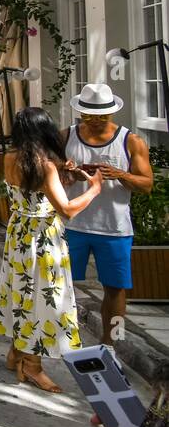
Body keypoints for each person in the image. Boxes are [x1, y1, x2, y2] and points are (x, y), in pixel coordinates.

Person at [0, 107, 103, 393]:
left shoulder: (11, 158)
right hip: (42, 237)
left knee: (22, 292)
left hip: (18, 233)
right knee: (46, 299)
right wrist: (94, 189)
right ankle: (33, 365)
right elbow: (66, 209)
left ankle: (17, 351)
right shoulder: (45, 166)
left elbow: (32, 187)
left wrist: (65, 171)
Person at [63, 84, 154, 345]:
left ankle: (111, 343)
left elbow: (147, 185)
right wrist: (66, 171)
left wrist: (121, 175)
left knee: (115, 289)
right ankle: (62, 338)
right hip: (74, 224)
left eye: (100, 116)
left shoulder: (131, 141)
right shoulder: (66, 136)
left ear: (110, 113)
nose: (93, 121)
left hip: (114, 228)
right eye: (88, 116)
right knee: (61, 283)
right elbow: (50, 173)